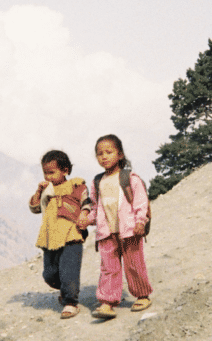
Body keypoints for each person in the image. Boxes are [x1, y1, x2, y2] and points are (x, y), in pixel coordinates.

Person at [78, 134, 152, 319]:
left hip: (130, 231)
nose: (104, 156)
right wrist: (88, 219)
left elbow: (141, 202)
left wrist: (140, 221)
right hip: (106, 233)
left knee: (134, 264)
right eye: (100, 153)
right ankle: (107, 301)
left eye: (109, 152)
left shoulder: (130, 178)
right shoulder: (97, 181)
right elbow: (97, 207)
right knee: (108, 268)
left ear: (119, 154)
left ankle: (142, 295)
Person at [28, 149, 91, 319]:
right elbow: (34, 208)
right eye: (45, 173)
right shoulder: (46, 191)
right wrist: (38, 192)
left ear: (65, 170)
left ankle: (70, 302)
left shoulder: (76, 185)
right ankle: (65, 289)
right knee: (49, 274)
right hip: (50, 237)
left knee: (68, 270)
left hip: (71, 235)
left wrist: (84, 214)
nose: (48, 177)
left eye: (52, 172)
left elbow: (87, 202)